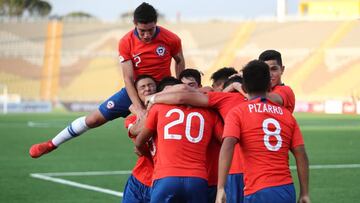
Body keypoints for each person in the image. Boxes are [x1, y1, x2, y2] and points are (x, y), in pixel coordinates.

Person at [29, 2, 185, 158]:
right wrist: (138, 109)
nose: (147, 35)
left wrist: (180, 86)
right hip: (135, 91)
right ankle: (52, 144)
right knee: (93, 120)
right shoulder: (126, 42)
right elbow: (128, 78)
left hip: (161, 92)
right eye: (142, 31)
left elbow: (179, 61)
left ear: (156, 23)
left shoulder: (171, 38)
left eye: (150, 30)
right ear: (134, 24)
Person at [145, 69, 247, 203]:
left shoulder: (213, 102)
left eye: (191, 85)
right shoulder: (213, 106)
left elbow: (184, 92)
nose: (186, 89)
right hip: (205, 177)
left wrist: (152, 99)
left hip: (214, 176)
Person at [215, 60, 310, 203]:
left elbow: (227, 146)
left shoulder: (238, 112)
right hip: (285, 189)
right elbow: (301, 154)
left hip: (257, 189)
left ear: (244, 88)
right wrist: (304, 193)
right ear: (268, 85)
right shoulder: (286, 115)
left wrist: (221, 187)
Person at [135, 77, 223, 203]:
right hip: (197, 179)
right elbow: (225, 140)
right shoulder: (210, 113)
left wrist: (140, 148)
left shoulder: (159, 108)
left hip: (165, 177)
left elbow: (140, 141)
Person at [122, 75, 157, 203]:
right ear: (136, 93)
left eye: (151, 85)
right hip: (139, 179)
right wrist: (145, 111)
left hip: (162, 181)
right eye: (143, 87)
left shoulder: (168, 113)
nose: (147, 89)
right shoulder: (131, 119)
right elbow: (134, 130)